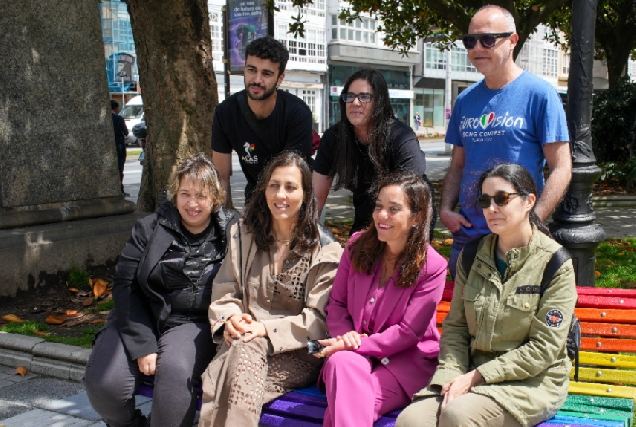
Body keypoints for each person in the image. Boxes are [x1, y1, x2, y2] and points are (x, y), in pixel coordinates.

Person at [396, 163, 577, 427]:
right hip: (471, 375)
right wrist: (452, 376)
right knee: (411, 421)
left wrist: (477, 377)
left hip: (530, 383)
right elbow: (456, 328)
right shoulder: (471, 256)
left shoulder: (554, 263)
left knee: (458, 415)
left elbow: (543, 349)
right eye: (484, 200)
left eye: (502, 199)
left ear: (529, 202)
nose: (491, 209)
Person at [84, 154, 237, 427]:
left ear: (215, 197)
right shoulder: (149, 228)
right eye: (184, 194)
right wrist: (143, 344)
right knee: (106, 384)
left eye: (201, 195)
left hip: (192, 322)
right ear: (174, 195)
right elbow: (124, 285)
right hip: (141, 314)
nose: (192, 203)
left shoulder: (234, 229)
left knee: (175, 373)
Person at [198, 151, 343, 427]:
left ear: (305, 193)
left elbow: (319, 320)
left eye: (291, 187)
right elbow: (226, 289)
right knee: (243, 352)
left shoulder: (325, 247)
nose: (281, 195)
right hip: (242, 343)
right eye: (274, 185)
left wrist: (264, 330)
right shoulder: (244, 235)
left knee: (227, 370)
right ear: (264, 189)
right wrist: (231, 319)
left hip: (304, 349)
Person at [439, 5, 572, 278]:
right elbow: (458, 165)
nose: (477, 47)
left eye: (488, 39)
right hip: (468, 235)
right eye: (470, 41)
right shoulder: (465, 100)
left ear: (512, 40)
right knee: (463, 316)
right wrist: (445, 210)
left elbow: (561, 167)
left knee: (512, 316)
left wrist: (533, 221)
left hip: (516, 239)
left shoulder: (540, 95)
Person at [316, 172, 447, 427]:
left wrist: (356, 345)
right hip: (351, 357)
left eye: (393, 209)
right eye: (379, 207)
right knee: (342, 364)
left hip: (402, 365)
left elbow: (408, 332)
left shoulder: (432, 266)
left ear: (416, 217)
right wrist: (346, 339)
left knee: (343, 405)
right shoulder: (356, 246)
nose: (381, 216)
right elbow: (338, 304)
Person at [313, 69, 434, 235]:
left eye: (364, 97)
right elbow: (316, 197)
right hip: (365, 217)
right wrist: (303, 238)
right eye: (350, 96)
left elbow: (408, 197)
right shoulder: (334, 137)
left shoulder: (401, 137)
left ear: (379, 102)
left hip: (404, 220)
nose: (355, 102)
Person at [211, 36, 313, 207]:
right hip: (254, 200)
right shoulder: (225, 112)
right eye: (251, 70)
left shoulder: (297, 113)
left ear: (280, 78)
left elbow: (291, 177)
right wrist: (218, 220)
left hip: (291, 200)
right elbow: (221, 177)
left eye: (266, 73)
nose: (257, 79)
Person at [111, 99, 129, 195]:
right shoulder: (118, 118)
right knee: (119, 167)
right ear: (116, 108)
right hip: (119, 144)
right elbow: (125, 132)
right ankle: (120, 189)